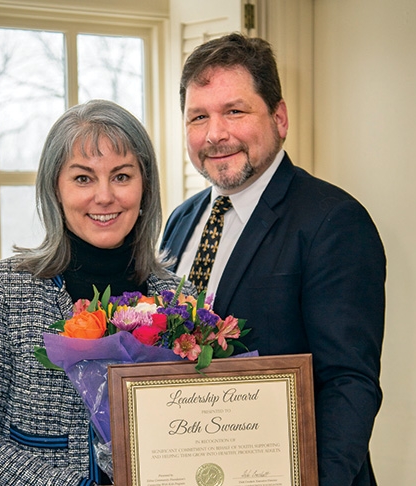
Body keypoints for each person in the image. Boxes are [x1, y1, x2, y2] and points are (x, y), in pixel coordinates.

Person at [161, 33, 386, 486]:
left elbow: (349, 384)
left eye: (235, 111)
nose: (215, 133)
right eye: (198, 116)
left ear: (279, 118)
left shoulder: (334, 221)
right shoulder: (180, 221)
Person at [0, 99, 194, 486]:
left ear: (145, 187)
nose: (105, 196)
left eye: (122, 176)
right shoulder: (0, 291)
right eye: (83, 178)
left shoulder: (181, 299)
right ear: (55, 189)